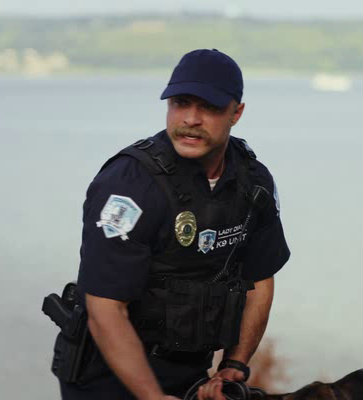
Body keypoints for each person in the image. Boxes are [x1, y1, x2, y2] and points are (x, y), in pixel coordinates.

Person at [56, 49, 290, 400]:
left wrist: (235, 363)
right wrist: (151, 396)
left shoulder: (252, 182)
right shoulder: (130, 185)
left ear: (236, 113)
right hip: (105, 375)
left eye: (208, 107)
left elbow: (259, 279)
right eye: (180, 103)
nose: (191, 119)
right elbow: (105, 308)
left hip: (188, 371)